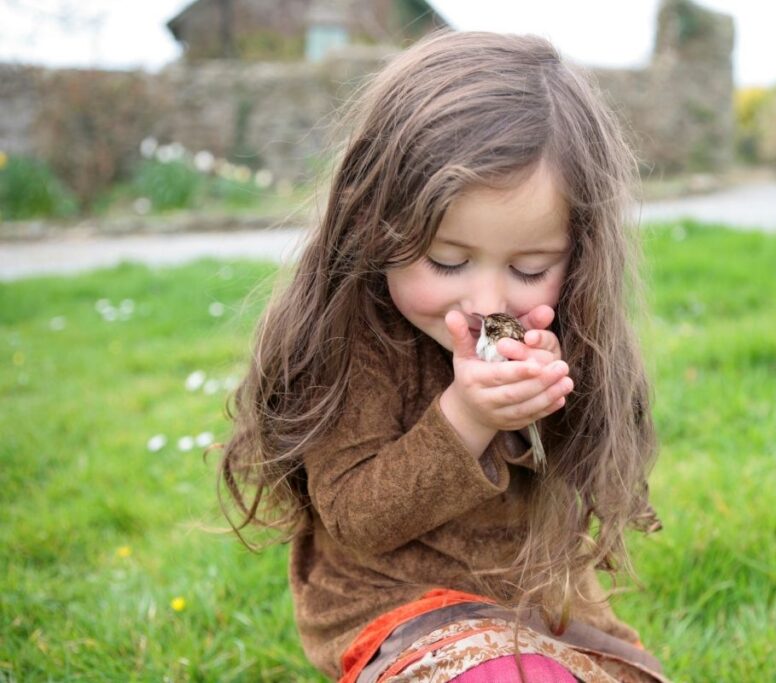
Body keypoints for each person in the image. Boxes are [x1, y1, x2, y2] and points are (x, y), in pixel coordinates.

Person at [219, 30, 666, 683]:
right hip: (399, 609)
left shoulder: (566, 328)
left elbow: (588, 468)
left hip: (540, 606)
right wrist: (465, 416)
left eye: (530, 266)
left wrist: (545, 400)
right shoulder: (352, 342)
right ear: (377, 224)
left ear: (578, 254)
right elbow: (359, 520)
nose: (487, 299)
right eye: (448, 261)